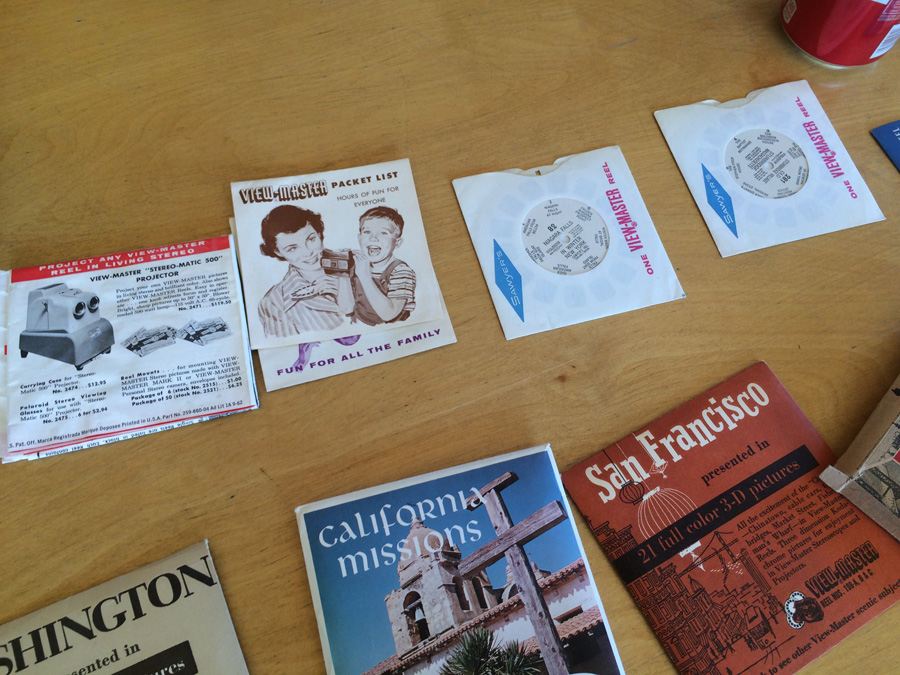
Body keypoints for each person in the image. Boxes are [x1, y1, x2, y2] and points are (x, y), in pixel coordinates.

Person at [257, 205, 353, 337]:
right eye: (292, 248)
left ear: (319, 233)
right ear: (278, 252)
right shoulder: (274, 302)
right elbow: (290, 353)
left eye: (311, 239)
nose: (308, 252)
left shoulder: (359, 261)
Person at [351, 206, 416, 325]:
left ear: (397, 242)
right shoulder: (357, 265)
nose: (373, 238)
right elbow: (347, 309)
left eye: (383, 233)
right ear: (359, 238)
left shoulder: (401, 271)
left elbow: (389, 314)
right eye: (367, 232)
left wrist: (364, 276)